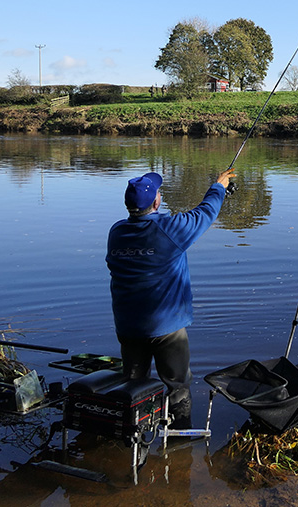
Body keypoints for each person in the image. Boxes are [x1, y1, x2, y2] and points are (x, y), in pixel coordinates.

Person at [106, 167, 235, 428]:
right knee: (177, 386)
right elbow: (204, 214)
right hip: (167, 328)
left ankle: (131, 440)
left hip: (128, 326)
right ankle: (180, 439)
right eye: (158, 192)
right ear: (156, 202)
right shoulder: (169, 230)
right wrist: (219, 187)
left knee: (133, 386)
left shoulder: (116, 233)